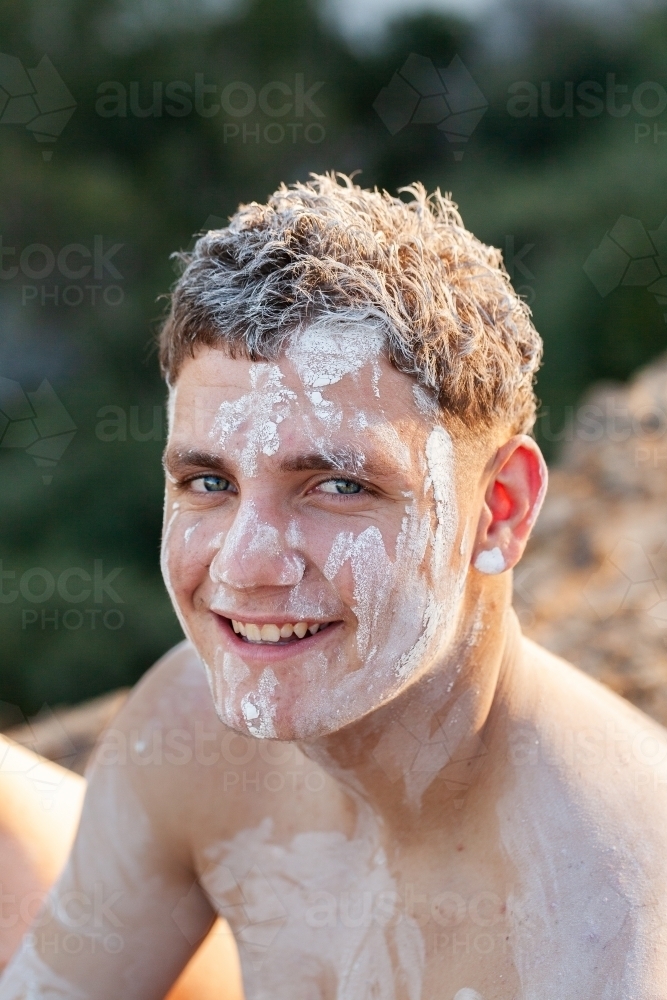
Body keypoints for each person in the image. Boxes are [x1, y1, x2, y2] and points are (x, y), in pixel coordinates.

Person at [1, 173, 667, 999]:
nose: (244, 565)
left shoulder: (605, 924)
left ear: (499, 510)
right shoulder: (189, 730)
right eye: (209, 483)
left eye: (337, 486)